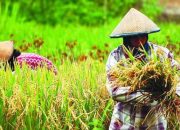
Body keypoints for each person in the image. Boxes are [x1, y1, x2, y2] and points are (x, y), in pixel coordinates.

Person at [106, 8, 180, 130]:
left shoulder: (161, 54)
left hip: (154, 121)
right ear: (126, 38)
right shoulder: (116, 56)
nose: (139, 41)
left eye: (142, 36)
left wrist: (173, 94)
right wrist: (153, 94)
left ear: (147, 35)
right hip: (124, 121)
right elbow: (115, 91)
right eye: (134, 37)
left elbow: (177, 77)